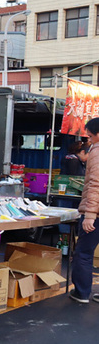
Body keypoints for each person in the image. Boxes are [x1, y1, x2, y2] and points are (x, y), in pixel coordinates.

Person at [71, 118, 99, 304]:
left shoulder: (97, 151)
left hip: (96, 213)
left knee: (84, 253)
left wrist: (89, 215)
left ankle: (81, 293)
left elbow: (95, 184)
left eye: (89, 136)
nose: (89, 141)